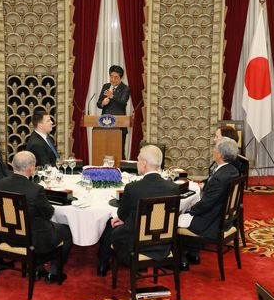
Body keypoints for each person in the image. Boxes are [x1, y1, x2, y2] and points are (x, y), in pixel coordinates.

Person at [97, 145, 180, 276]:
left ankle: (103, 265)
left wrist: (123, 219)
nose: (137, 163)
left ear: (144, 163)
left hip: (137, 245)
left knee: (110, 225)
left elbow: (121, 215)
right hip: (164, 243)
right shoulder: (173, 188)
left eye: (138, 159)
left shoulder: (133, 188)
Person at [0, 151, 72, 283]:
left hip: (7, 235)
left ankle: (38, 269)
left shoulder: (1, 183)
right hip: (33, 239)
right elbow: (48, 213)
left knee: (34, 222)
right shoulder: (36, 189)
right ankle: (55, 273)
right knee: (65, 230)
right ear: (30, 168)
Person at [178, 136, 239, 269]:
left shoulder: (219, 177)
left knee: (174, 220)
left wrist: (190, 209)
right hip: (222, 218)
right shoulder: (233, 171)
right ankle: (193, 253)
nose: (213, 151)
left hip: (211, 222)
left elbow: (206, 205)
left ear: (220, 155)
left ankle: (180, 259)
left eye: (215, 149)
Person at [96, 65, 131, 158]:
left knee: (119, 152)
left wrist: (112, 96)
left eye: (116, 77)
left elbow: (123, 103)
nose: (113, 79)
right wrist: (102, 103)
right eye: (111, 76)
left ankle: (121, 171)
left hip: (119, 126)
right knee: (105, 150)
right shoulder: (106, 86)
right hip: (104, 125)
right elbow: (98, 103)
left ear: (121, 77)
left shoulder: (125, 88)